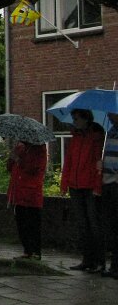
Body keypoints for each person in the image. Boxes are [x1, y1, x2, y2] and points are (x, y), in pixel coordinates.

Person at [62, 109, 106, 273]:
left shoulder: (95, 138)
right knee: (82, 224)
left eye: (76, 119)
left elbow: (98, 164)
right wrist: (65, 182)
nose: (74, 122)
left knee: (94, 225)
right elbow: (69, 161)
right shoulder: (75, 138)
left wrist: (97, 186)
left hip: (89, 186)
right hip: (75, 185)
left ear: (86, 119)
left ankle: (99, 261)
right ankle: (87, 259)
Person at [6, 138, 48, 260]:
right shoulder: (20, 148)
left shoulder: (40, 149)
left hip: (31, 192)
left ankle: (35, 251)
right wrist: (12, 158)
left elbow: (34, 168)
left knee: (33, 223)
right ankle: (27, 250)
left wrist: (20, 159)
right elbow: (9, 168)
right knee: (21, 222)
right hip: (18, 191)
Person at [101, 115, 118, 278]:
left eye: (112, 114)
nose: (109, 116)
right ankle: (114, 265)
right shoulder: (111, 132)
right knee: (111, 226)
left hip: (116, 183)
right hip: (107, 182)